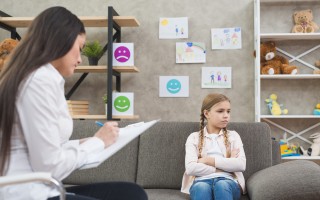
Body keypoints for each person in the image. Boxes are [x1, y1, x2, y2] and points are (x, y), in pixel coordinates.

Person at [0, 6, 147, 200]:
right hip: (30, 194)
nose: (79, 59)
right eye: (79, 48)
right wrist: (98, 142)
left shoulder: (42, 78)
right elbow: (50, 166)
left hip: (44, 188)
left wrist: (86, 142)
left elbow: (47, 148)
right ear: (59, 43)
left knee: (131, 193)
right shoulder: (38, 82)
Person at [181, 93, 246, 200]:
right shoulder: (193, 137)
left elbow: (241, 165)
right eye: (220, 111)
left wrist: (206, 160)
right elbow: (190, 168)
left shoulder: (233, 136)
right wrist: (227, 163)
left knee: (222, 185)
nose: (226, 115)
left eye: (228, 111)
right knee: (201, 187)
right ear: (207, 113)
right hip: (201, 181)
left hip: (228, 182)